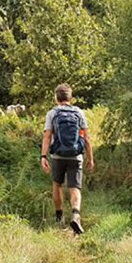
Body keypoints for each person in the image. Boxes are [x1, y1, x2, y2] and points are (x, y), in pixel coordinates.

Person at [40, 83, 94, 234]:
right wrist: (90, 158)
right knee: (74, 187)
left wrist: (43, 156)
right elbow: (87, 138)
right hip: (76, 156)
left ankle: (59, 217)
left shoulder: (52, 113)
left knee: (57, 185)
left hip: (58, 155)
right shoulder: (79, 112)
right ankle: (76, 215)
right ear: (71, 97)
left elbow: (47, 136)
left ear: (56, 97)